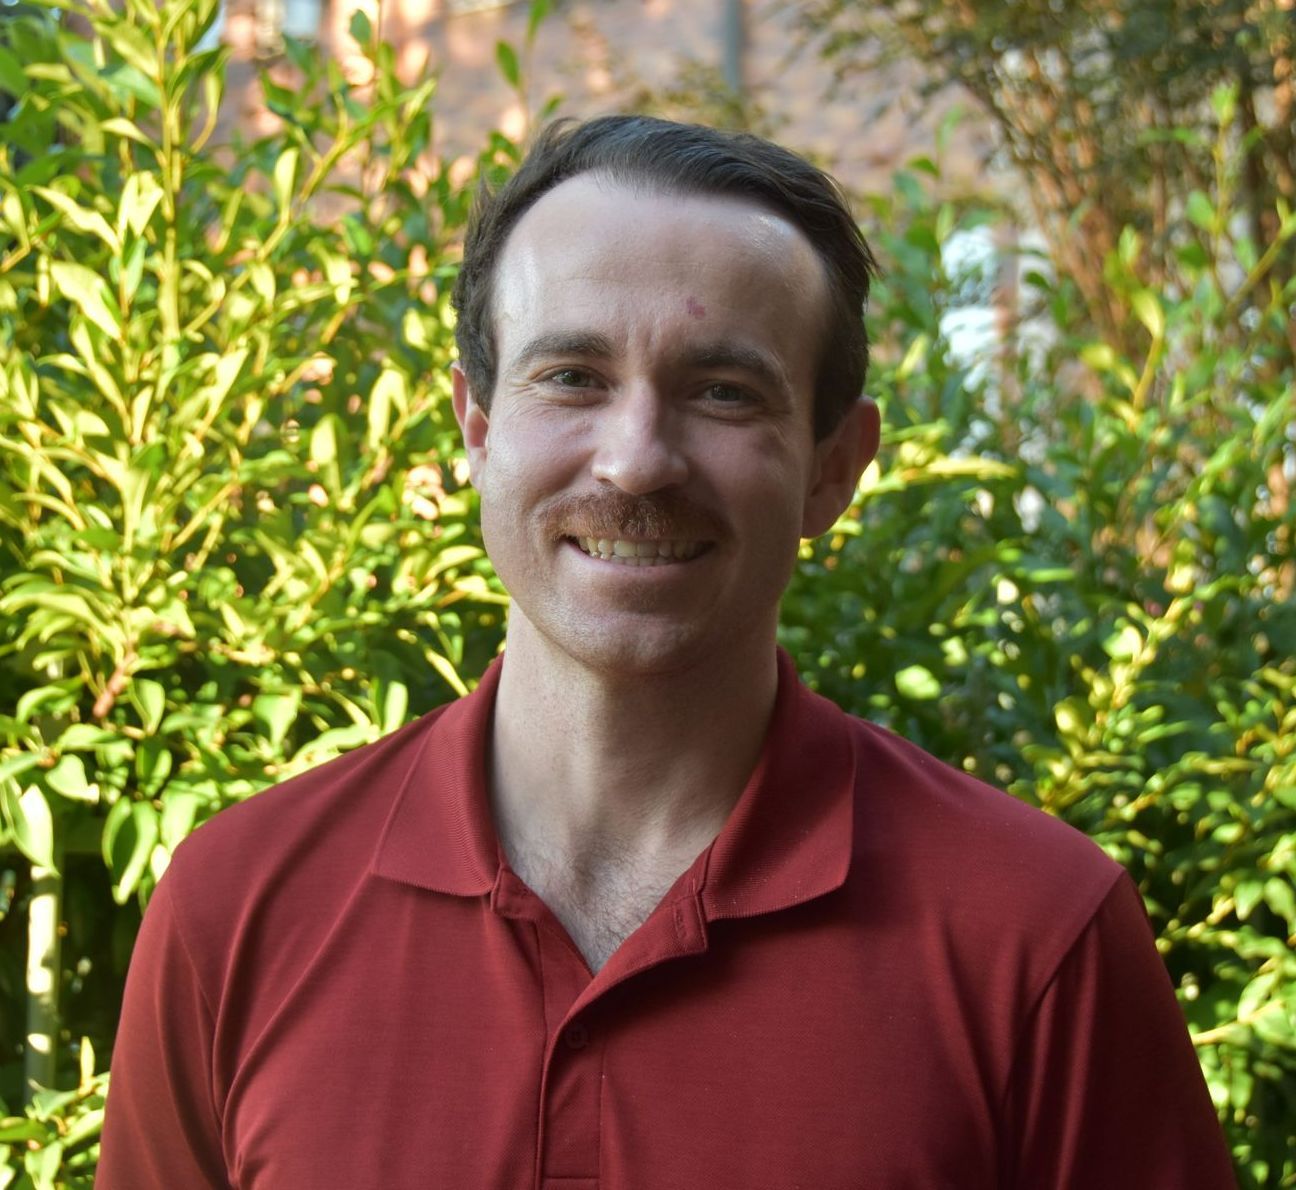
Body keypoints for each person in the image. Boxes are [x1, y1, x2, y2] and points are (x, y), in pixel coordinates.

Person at [98, 116, 1236, 1189]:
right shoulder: (237, 908)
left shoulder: (1037, 934)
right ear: (478, 426)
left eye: (723, 390)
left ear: (836, 467)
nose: (636, 460)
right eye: (572, 377)